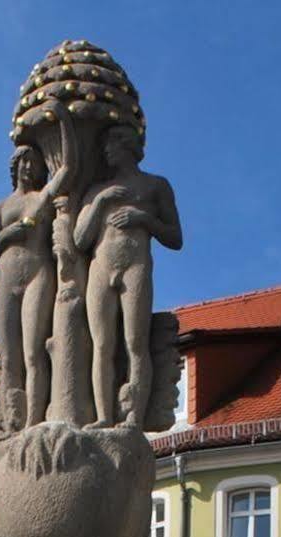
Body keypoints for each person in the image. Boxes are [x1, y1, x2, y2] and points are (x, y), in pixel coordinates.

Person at [73, 124, 183, 428]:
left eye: (112, 145)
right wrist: (100, 203)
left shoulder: (155, 186)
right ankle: (105, 415)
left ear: (128, 147)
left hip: (135, 265)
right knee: (102, 345)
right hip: (101, 267)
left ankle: (133, 417)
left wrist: (144, 218)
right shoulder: (96, 191)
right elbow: (80, 239)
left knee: (135, 342)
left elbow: (175, 237)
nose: (106, 151)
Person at [0, 145, 65, 432]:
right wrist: (7, 235)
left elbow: (67, 172)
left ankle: (34, 421)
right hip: (5, 279)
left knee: (33, 352)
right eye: (23, 162)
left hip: (37, 273)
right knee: (9, 357)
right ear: (14, 168)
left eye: (34, 163)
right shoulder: (2, 207)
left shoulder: (43, 198)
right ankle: (12, 422)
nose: (28, 168)